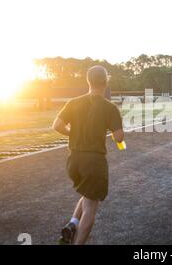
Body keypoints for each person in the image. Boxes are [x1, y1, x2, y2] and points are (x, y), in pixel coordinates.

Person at [52, 65, 124, 245]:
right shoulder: (110, 107)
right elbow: (119, 137)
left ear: (88, 81)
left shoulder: (73, 102)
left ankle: (72, 224)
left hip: (74, 161)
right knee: (91, 206)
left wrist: (73, 133)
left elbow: (57, 126)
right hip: (94, 162)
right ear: (105, 82)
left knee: (86, 192)